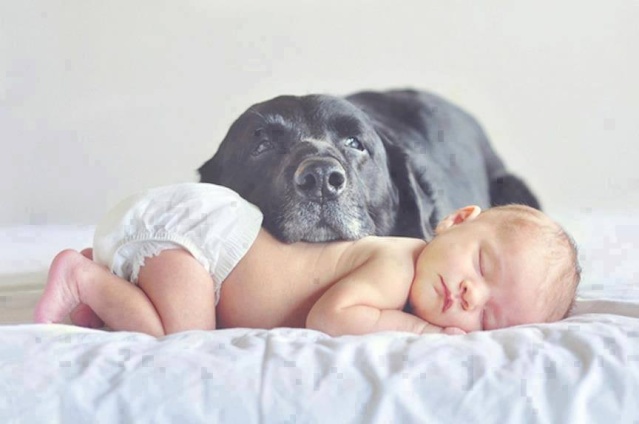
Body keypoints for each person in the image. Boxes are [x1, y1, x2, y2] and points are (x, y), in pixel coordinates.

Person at [34, 183, 581, 337]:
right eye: (481, 267)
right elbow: (331, 317)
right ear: (456, 220)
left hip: (204, 254)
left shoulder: (409, 280)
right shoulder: (398, 264)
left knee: (178, 319)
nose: (469, 295)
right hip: (205, 248)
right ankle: (83, 278)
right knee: (181, 340)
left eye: (487, 316)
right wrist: (419, 333)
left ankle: (110, 274)